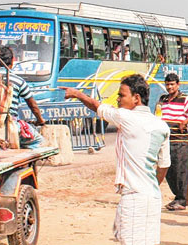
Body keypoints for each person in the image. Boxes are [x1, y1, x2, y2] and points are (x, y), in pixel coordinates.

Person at [61, 74, 170, 245]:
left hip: (134, 196)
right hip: (152, 196)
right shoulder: (161, 125)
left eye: (121, 95)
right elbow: (163, 166)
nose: (118, 99)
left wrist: (77, 94)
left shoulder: (125, 117)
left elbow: (97, 106)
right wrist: (148, 186)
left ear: (136, 98)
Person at [0, 46, 46, 148]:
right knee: (39, 141)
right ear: (12, 61)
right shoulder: (18, 81)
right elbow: (32, 105)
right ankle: (27, 161)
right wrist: (40, 120)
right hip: (10, 126)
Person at [158, 73, 188, 211]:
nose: (170, 87)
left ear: (177, 85)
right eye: (167, 84)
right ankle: (177, 196)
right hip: (165, 140)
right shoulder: (163, 99)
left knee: (181, 171)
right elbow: (158, 114)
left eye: (172, 84)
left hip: (180, 140)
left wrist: (186, 121)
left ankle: (182, 200)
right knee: (168, 170)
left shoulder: (185, 99)